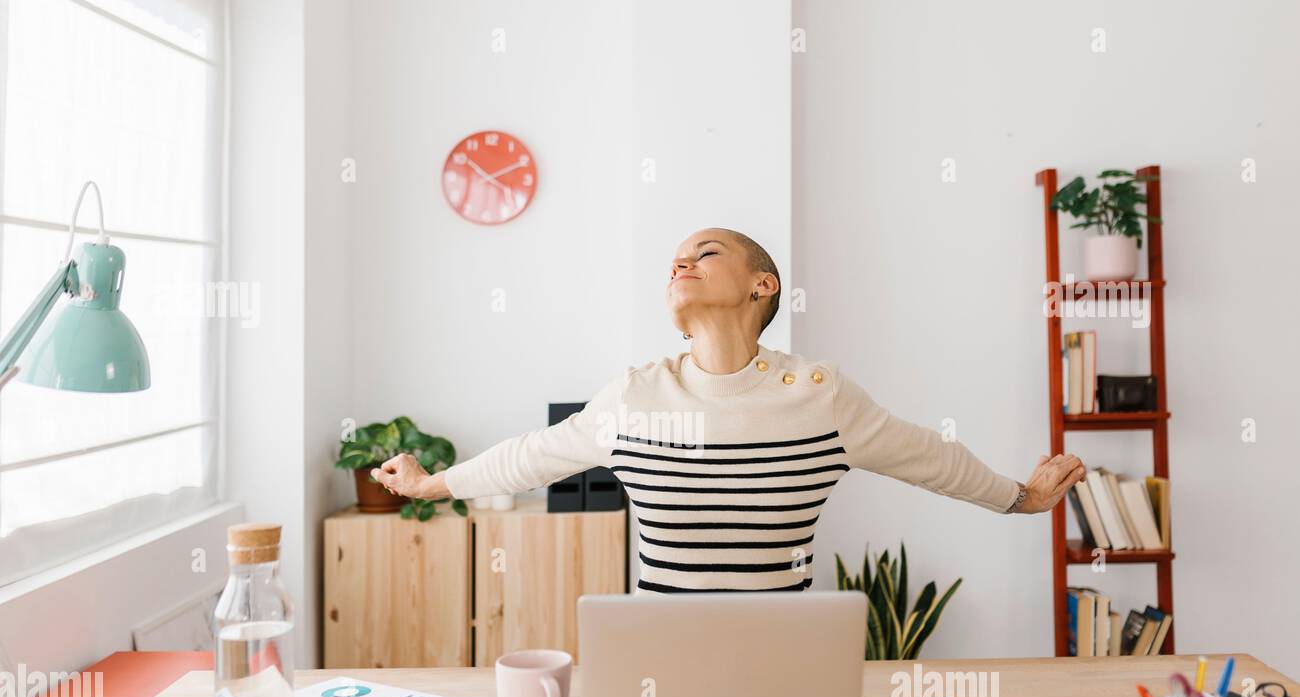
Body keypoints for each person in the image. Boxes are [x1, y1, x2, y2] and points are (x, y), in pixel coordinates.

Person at [372, 227, 1085, 592]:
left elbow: (928, 455)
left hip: (785, 655)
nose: (681, 264)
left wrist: (1019, 499)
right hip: (656, 659)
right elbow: (532, 456)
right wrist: (430, 484)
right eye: (675, 261)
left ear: (761, 285)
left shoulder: (817, 396)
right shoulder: (634, 396)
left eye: (705, 254)